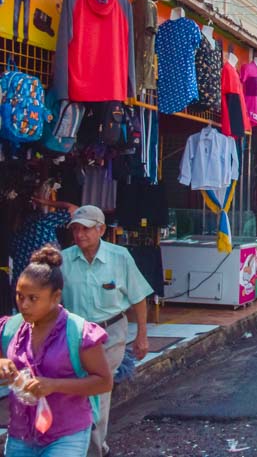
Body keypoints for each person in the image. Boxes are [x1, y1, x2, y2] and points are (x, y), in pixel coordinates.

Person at [0, 248, 114, 457]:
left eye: (33, 298)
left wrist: (54, 385)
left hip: (67, 435)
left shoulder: (79, 333)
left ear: (56, 297)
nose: (24, 305)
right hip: (20, 434)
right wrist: (2, 363)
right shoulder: (10, 329)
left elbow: (104, 382)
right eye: (19, 296)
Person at [60, 206, 152, 457]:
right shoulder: (63, 260)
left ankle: (93, 450)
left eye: (86, 229)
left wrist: (142, 335)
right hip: (75, 334)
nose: (80, 234)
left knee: (98, 390)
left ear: (101, 230)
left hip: (110, 332)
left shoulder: (120, 257)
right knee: (78, 392)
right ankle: (91, 447)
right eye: (76, 229)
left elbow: (138, 297)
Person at [11, 185, 77, 282]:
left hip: (20, 283)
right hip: (43, 283)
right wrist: (45, 202)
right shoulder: (43, 222)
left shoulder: (16, 232)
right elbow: (75, 209)